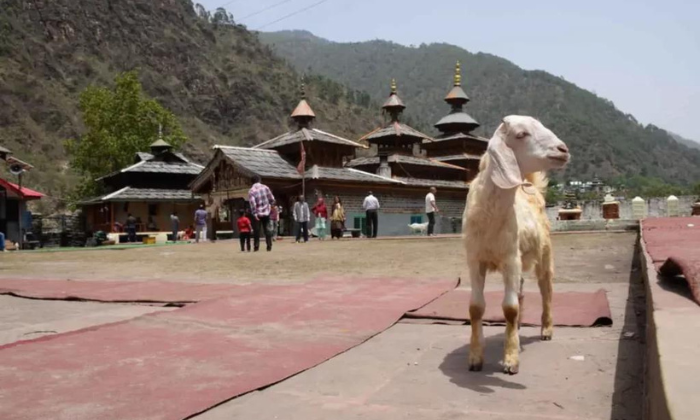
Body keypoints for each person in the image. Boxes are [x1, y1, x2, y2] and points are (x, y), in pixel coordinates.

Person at [248, 175, 276, 252]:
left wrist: (254, 213)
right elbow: (272, 199)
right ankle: (269, 246)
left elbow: (252, 203)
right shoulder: (265, 187)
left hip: (257, 214)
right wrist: (270, 205)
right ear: (259, 180)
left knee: (256, 231)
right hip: (267, 212)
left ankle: (256, 247)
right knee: (267, 230)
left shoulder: (251, 191)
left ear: (252, 182)